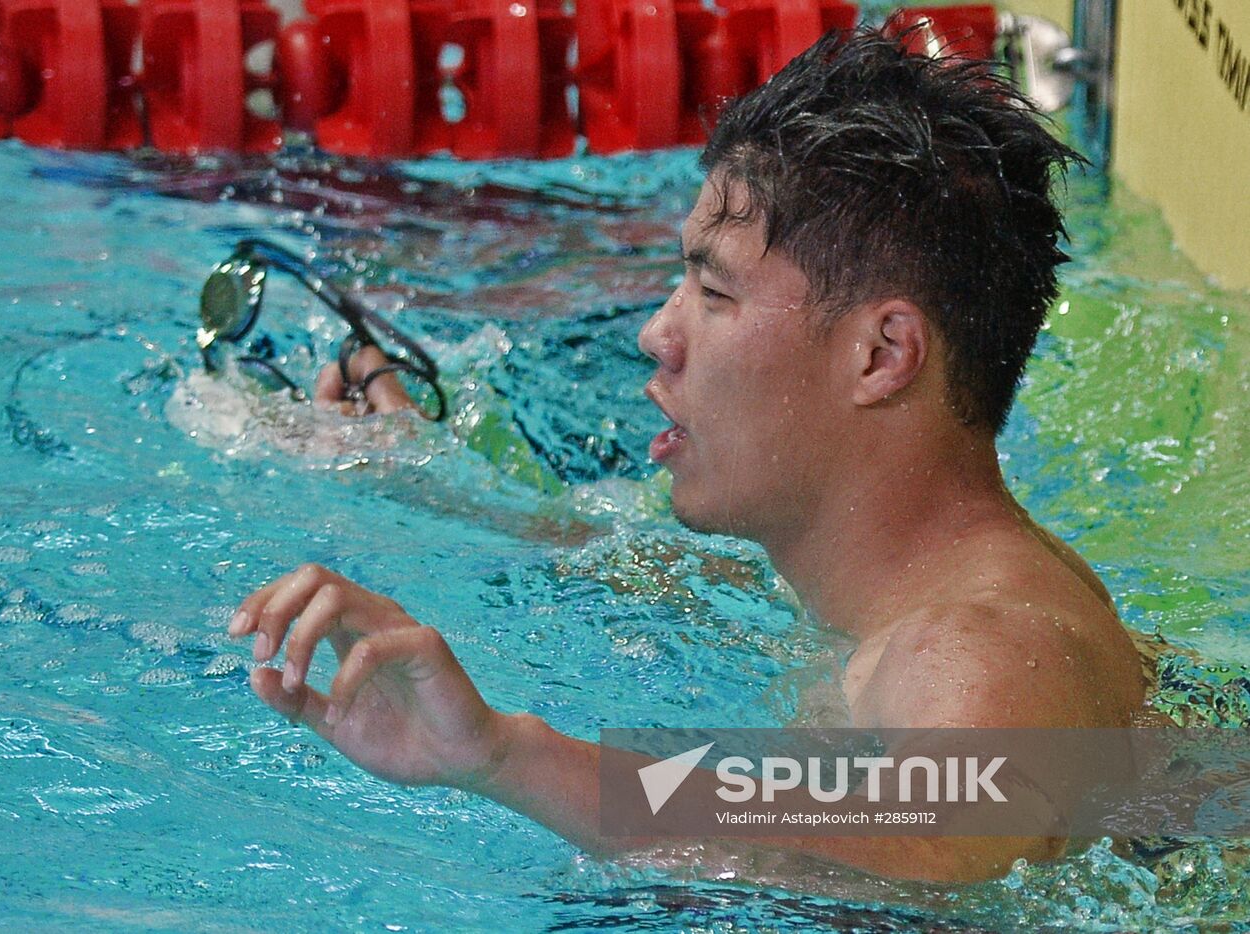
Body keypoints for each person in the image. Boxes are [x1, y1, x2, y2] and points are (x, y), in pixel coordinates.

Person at [225, 28, 1146, 882]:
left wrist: (505, 754)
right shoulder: (887, 588)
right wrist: (408, 471)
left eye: (713, 290)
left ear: (881, 356)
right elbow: (640, 564)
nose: (655, 332)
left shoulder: (977, 650)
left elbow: (934, 832)